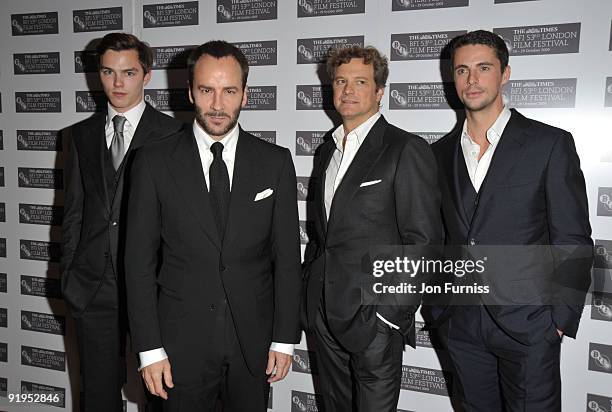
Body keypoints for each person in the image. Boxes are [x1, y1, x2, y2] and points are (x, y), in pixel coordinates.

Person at [124, 40, 302, 411]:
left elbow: (287, 259)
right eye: (207, 90)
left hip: (253, 346)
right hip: (176, 347)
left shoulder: (275, 162)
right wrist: (149, 348)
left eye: (229, 91)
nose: (218, 105)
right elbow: (137, 263)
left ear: (245, 95)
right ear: (190, 92)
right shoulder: (153, 162)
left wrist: (284, 339)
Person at [431, 30, 593, 411]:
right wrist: (439, 308)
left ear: (504, 74)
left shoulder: (548, 144)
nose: (472, 80)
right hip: (461, 324)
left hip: (531, 324)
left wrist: (557, 320)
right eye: (462, 70)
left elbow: (573, 237)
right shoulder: (436, 155)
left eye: (483, 68)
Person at [302, 45, 442, 412]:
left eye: (360, 82)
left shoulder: (404, 148)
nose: (348, 90)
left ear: (379, 92)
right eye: (341, 81)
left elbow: (424, 242)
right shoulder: (326, 151)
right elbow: (325, 238)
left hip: (374, 318)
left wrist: (389, 316)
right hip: (325, 313)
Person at [61, 32, 183, 411]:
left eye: (128, 73)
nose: (117, 83)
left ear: (146, 76)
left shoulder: (175, 134)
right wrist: (71, 275)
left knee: (162, 393)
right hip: (93, 286)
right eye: (108, 72)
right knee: (97, 395)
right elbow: (74, 213)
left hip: (156, 285)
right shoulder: (79, 135)